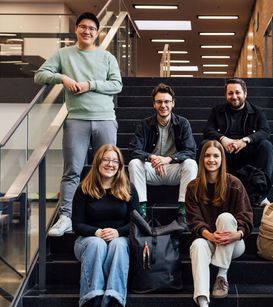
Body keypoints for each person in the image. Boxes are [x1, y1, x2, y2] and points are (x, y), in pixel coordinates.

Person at [34, 12, 122, 236]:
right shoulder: (64, 54)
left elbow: (117, 85)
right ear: (76, 29)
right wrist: (62, 78)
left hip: (105, 118)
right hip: (76, 119)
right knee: (72, 170)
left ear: (97, 32)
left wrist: (90, 84)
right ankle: (66, 217)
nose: (87, 31)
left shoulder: (107, 57)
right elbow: (40, 75)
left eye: (92, 28)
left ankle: (111, 213)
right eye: (83, 27)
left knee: (111, 168)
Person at [185, 140, 253, 307]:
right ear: (202, 159)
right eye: (207, 156)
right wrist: (210, 236)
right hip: (209, 240)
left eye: (216, 156)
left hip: (234, 243)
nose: (211, 160)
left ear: (222, 159)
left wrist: (238, 234)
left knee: (225, 217)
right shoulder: (193, 187)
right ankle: (202, 301)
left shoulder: (234, 184)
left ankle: (222, 275)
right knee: (197, 245)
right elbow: (194, 221)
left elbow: (246, 217)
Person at [72, 144, 138, 307]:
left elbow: (137, 222)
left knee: (118, 244)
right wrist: (96, 232)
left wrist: (118, 232)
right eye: (106, 159)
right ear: (98, 162)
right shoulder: (84, 189)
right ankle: (92, 298)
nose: (110, 164)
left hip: (120, 239)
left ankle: (114, 298)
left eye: (115, 161)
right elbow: (77, 224)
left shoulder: (128, 188)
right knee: (97, 244)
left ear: (120, 166)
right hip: (88, 241)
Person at [128, 83, 197, 223]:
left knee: (191, 164)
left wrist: (169, 159)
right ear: (154, 104)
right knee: (134, 163)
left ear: (173, 103)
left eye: (167, 101)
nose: (163, 105)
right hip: (152, 169)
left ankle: (183, 212)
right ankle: (141, 211)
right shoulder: (144, 124)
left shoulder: (183, 123)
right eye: (159, 102)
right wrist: (151, 157)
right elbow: (134, 150)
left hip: (173, 169)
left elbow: (191, 151)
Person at [203, 78, 273, 205]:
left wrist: (246, 140)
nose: (234, 96)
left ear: (245, 94)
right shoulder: (217, 111)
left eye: (238, 92)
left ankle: (261, 194)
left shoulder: (257, 111)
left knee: (266, 146)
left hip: (248, 152)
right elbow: (208, 130)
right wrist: (223, 139)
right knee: (205, 145)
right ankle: (210, 192)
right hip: (225, 152)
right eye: (230, 93)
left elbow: (265, 131)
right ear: (226, 95)